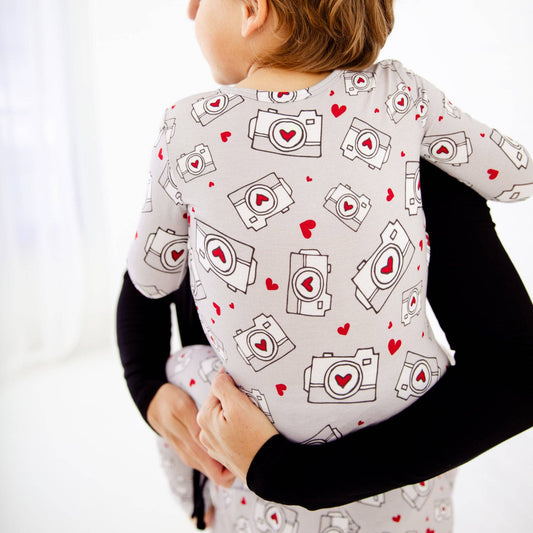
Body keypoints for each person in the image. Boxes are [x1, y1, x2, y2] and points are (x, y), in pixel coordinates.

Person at [119, 0, 533, 530]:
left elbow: (149, 281)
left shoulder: (187, 130)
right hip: (407, 504)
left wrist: (281, 471)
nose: (189, 9)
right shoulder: (400, 100)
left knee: (186, 364)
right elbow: (517, 175)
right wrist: (150, 393)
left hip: (254, 496)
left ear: (252, 10)